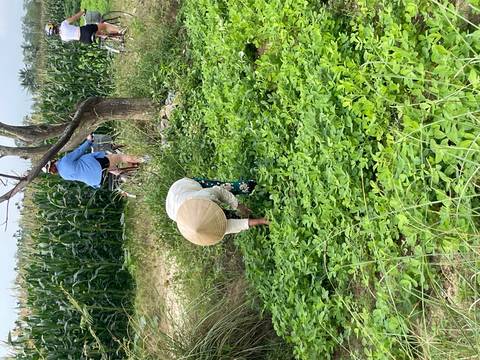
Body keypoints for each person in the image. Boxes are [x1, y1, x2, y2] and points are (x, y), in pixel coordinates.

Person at [166, 177, 269, 246]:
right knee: (231, 218)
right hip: (173, 209)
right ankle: (233, 214)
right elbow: (234, 225)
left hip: (183, 186)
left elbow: (220, 192)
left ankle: (252, 185)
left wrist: (239, 206)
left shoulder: (204, 196)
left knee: (228, 187)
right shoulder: (209, 229)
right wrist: (262, 221)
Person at [43, 135, 143, 188]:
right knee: (121, 157)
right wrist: (89, 141)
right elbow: (79, 151)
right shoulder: (64, 161)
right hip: (98, 165)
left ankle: (134, 181)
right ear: (52, 161)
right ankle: (145, 158)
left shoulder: (64, 176)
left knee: (113, 169)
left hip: (96, 180)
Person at [44, 9, 122, 44]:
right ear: (54, 25)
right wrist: (82, 12)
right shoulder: (63, 24)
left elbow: (74, 36)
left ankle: (116, 39)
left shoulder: (63, 38)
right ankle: (119, 30)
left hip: (84, 40)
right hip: (84, 30)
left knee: (99, 33)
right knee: (104, 26)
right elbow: (74, 17)